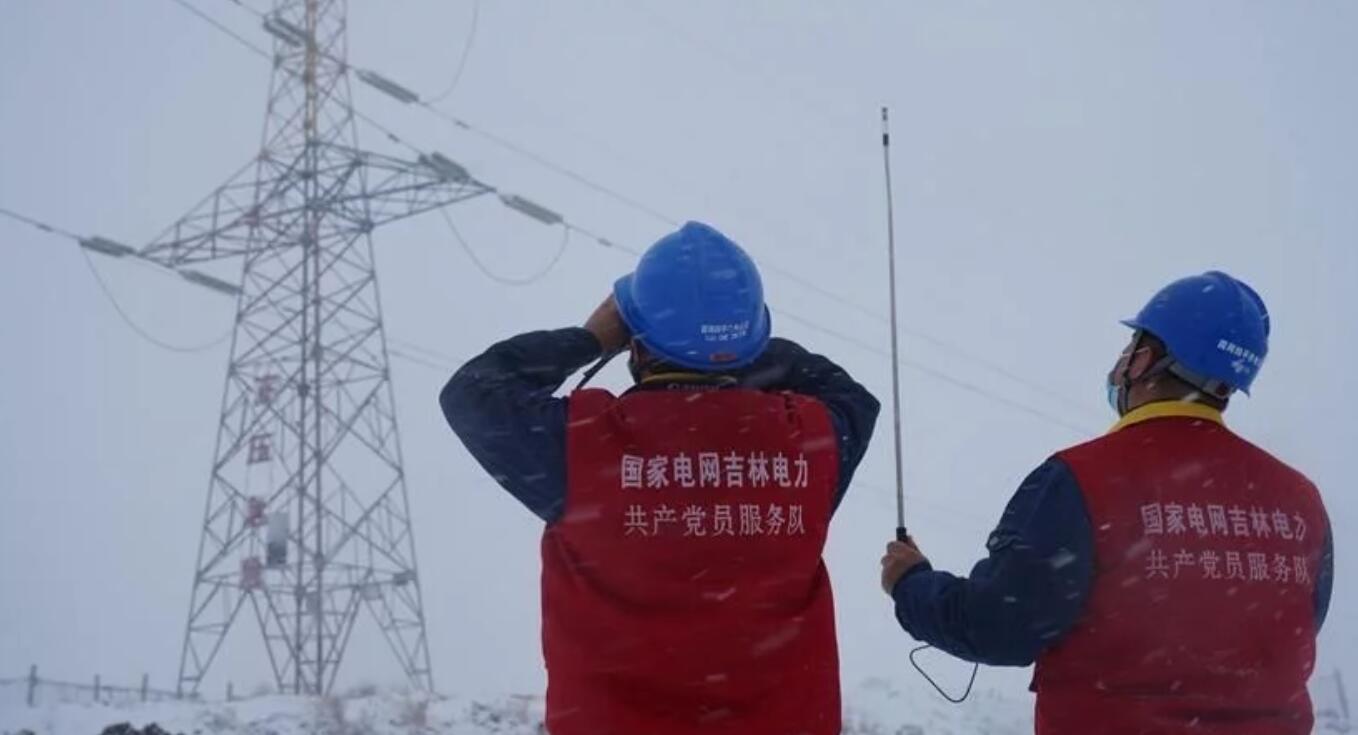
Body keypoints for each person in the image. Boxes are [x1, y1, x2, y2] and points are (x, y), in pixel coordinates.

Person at [442, 221, 880, 735]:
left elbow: (473, 393)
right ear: (754, 340)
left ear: (635, 343)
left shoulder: (579, 446)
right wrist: (732, 338)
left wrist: (589, 338)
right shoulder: (809, 444)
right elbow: (850, 397)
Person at [880, 271, 1334, 735]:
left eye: (1128, 349)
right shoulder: (1301, 501)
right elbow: (1294, 628)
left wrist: (911, 584)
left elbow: (998, 624)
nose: (1119, 366)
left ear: (1146, 360)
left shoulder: (1080, 480)